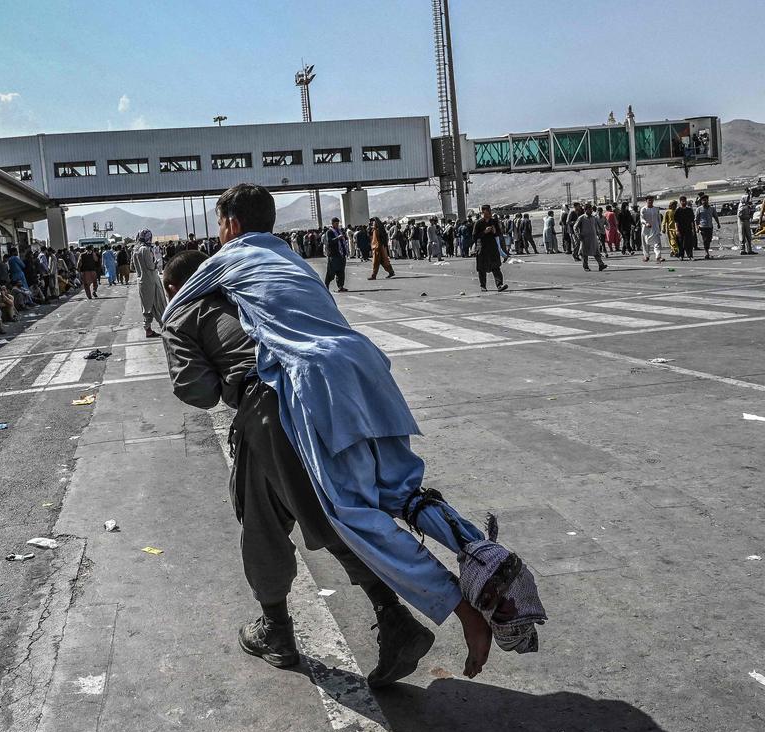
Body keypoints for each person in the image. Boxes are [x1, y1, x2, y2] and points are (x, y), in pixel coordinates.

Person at [162, 185, 545, 682]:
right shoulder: (278, 264)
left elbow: (198, 392)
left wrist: (188, 336)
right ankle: (471, 562)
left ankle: (449, 610)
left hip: (290, 396)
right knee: (400, 495)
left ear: (229, 227)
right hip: (364, 374)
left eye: (220, 226)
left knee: (336, 514)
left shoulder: (195, 296)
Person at [133, 229, 167, 338]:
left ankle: (148, 329)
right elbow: (151, 266)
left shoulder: (135, 250)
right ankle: (165, 328)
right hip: (151, 281)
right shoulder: (145, 250)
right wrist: (156, 263)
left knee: (146, 307)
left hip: (142, 282)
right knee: (159, 304)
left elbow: (134, 267)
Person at [471, 205, 509, 292]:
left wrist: (494, 231)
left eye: (489, 211)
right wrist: (484, 232)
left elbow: (499, 233)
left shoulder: (494, 221)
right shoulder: (478, 223)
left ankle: (499, 285)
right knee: (481, 268)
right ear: (483, 212)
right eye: (486, 212)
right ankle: (483, 286)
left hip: (492, 247)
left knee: (496, 267)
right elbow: (474, 237)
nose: (489, 214)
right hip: (482, 248)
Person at [572, 203, 608, 272]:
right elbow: (575, 227)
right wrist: (578, 235)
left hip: (593, 238)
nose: (591, 211)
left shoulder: (593, 218)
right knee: (584, 253)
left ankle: (601, 265)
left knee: (597, 252)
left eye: (591, 209)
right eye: (589, 209)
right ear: (586, 210)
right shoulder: (581, 218)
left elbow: (595, 227)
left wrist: (598, 234)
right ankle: (586, 266)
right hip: (585, 238)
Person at [323, 217, 349, 292]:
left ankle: (341, 286)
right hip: (334, 255)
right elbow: (329, 242)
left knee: (341, 272)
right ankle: (326, 286)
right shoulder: (329, 232)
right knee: (331, 272)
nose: (337, 225)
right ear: (332, 224)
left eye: (338, 223)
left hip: (341, 255)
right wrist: (338, 238)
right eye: (336, 223)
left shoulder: (340, 231)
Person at [695, 194, 721, 259]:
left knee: (709, 240)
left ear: (708, 200)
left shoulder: (712, 208)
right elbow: (696, 219)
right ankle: (706, 252)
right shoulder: (699, 209)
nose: (704, 201)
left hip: (710, 226)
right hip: (702, 227)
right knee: (705, 240)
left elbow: (715, 216)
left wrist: (718, 223)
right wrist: (697, 227)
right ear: (701, 201)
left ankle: (707, 250)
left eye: (705, 200)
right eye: (703, 200)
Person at [641, 195, 664, 262]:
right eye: (649, 200)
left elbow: (658, 219)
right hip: (646, 229)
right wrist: (646, 223)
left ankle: (658, 256)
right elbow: (641, 219)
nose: (650, 201)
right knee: (646, 243)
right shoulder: (643, 209)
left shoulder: (656, 209)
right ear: (646, 201)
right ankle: (646, 256)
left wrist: (660, 227)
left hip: (655, 228)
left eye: (652, 200)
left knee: (657, 243)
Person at [674, 196, 696, 261]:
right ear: (680, 202)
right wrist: (677, 230)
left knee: (689, 243)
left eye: (685, 201)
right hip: (680, 229)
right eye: (682, 201)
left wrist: (693, 229)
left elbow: (692, 221)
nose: (684, 202)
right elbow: (676, 221)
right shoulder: (678, 211)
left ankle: (690, 256)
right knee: (680, 243)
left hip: (688, 229)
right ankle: (681, 256)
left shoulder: (689, 210)